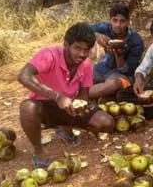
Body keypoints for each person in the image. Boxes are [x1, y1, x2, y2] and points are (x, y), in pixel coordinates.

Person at [18, 23, 115, 168]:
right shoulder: (49, 55)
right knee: (27, 107)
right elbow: (23, 76)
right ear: (66, 44)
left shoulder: (86, 64)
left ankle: (64, 128)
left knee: (107, 123)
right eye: (77, 48)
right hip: (44, 105)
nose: (82, 54)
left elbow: (83, 94)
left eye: (86, 50)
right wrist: (57, 96)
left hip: (69, 105)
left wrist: (81, 106)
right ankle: (39, 151)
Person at [88, 3, 144, 101]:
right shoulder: (105, 27)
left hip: (123, 75)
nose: (118, 25)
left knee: (112, 85)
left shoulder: (136, 41)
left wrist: (119, 55)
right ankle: (100, 96)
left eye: (122, 21)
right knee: (83, 75)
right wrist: (96, 35)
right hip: (104, 67)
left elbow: (128, 71)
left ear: (128, 22)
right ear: (110, 20)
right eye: (115, 20)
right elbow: (83, 29)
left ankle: (79, 95)